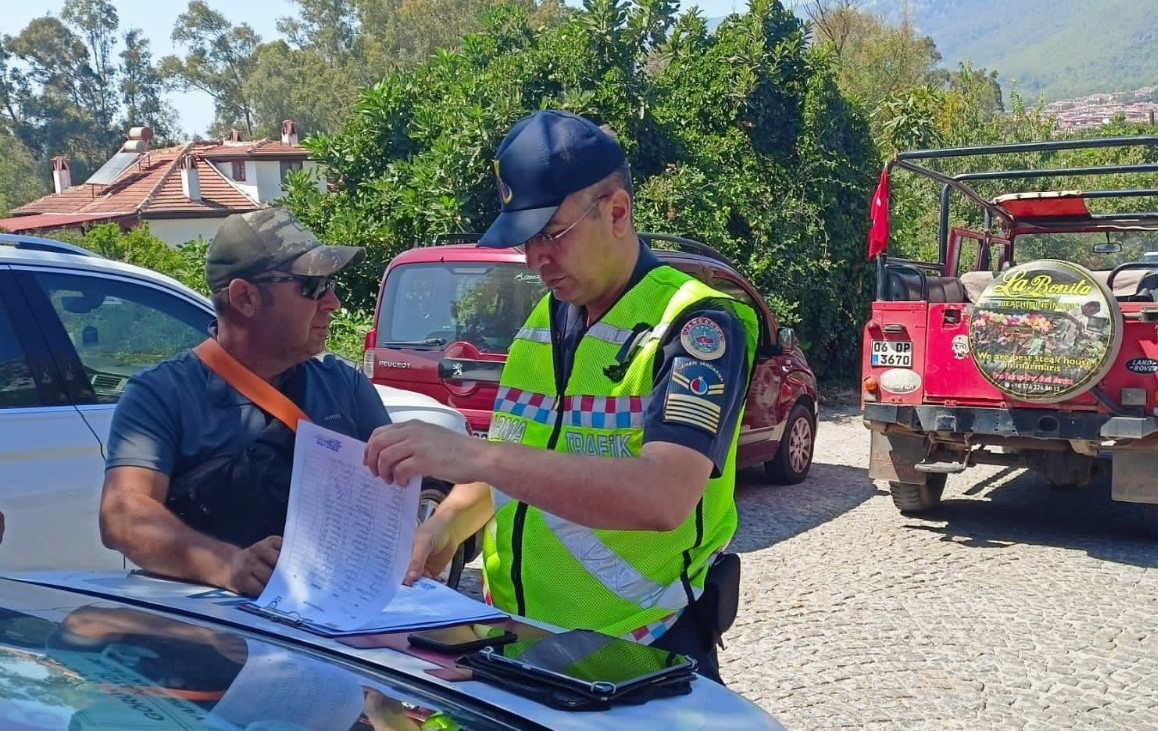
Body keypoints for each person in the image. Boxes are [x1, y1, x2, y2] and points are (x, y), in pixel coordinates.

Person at [364, 110, 758, 683]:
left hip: (641, 654)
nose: (535, 260)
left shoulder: (697, 326)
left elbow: (664, 495)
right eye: (526, 241)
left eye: (551, 234)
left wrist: (470, 456)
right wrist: (445, 525)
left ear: (617, 211)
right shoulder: (541, 324)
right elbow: (513, 459)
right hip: (523, 642)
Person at [99, 208, 392, 597]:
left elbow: (403, 488)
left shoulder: (344, 385)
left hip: (331, 634)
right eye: (313, 286)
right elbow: (122, 515)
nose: (332, 302)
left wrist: (444, 520)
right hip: (214, 639)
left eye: (330, 283)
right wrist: (229, 565)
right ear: (245, 297)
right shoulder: (161, 395)